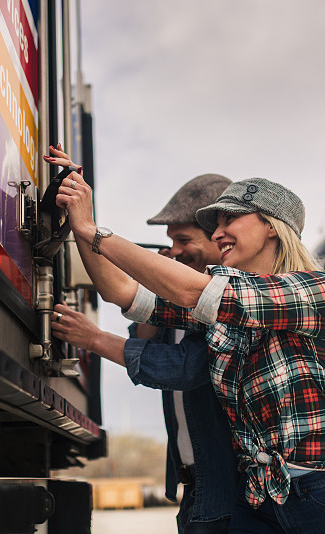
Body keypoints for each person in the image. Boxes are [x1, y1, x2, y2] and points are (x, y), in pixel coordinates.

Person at [43, 146, 325, 533]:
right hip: (264, 495)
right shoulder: (223, 311)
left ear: (272, 225)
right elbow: (123, 292)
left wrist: (93, 230)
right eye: (215, 224)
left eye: (231, 219)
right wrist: (77, 212)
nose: (218, 233)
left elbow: (195, 294)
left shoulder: (316, 290)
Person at [51, 175, 239, 533]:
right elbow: (130, 305)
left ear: (219, 238)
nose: (176, 250)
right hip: (196, 486)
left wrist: (94, 339)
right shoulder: (185, 294)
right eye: (171, 242)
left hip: (226, 488)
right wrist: (82, 228)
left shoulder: (231, 301)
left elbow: (183, 367)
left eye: (184, 240)